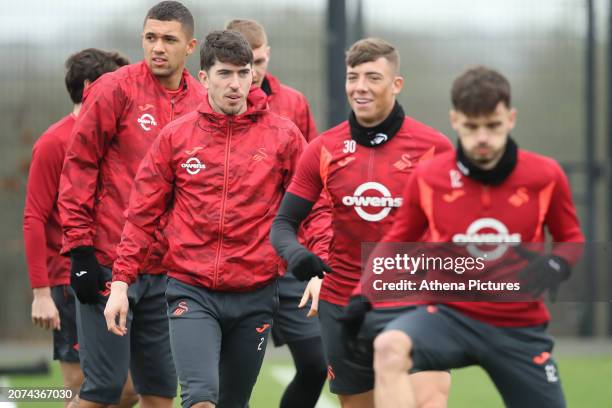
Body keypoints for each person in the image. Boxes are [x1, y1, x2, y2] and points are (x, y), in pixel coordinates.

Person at [104, 30, 327, 408]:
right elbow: (142, 216)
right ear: (204, 77)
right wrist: (122, 282)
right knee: (201, 399)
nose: (236, 84)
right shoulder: (175, 138)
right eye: (225, 74)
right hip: (191, 291)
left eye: (243, 73)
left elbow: (317, 206)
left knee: (231, 403)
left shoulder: (284, 137)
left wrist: (321, 269)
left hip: (255, 294)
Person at [369, 66, 584, 408]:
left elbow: (570, 237)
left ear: (511, 118)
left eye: (493, 126)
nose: (482, 138)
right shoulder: (429, 176)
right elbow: (396, 240)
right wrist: (361, 294)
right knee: (388, 347)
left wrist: (558, 263)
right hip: (447, 316)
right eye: (472, 127)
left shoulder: (546, 175)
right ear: (455, 120)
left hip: (518, 327)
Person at [270, 38, 453, 408]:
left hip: (414, 302)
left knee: (427, 401)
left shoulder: (435, 149)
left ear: (396, 84)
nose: (360, 87)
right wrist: (296, 254)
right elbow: (283, 224)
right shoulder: (323, 148)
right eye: (353, 77)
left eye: (373, 77)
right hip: (343, 305)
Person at [57, 2, 203, 407]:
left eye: (169, 39)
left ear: (189, 46)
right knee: (103, 389)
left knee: (158, 392)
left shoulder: (202, 103)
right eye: (151, 37)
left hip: (168, 271)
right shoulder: (113, 89)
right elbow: (79, 168)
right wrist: (80, 249)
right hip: (107, 259)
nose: (158, 47)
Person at [23, 48, 134, 408]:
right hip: (70, 279)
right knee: (83, 387)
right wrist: (41, 291)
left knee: (130, 388)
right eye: (113, 82)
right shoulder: (54, 142)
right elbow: (34, 217)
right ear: (89, 87)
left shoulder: (119, 136)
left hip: (117, 272)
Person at [225, 18, 327, 408]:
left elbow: (315, 179)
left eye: (258, 61)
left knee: (317, 363)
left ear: (267, 56)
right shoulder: (207, 102)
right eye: (243, 63)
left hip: (287, 260)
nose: (253, 72)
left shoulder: (294, 103)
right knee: (229, 381)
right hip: (233, 264)